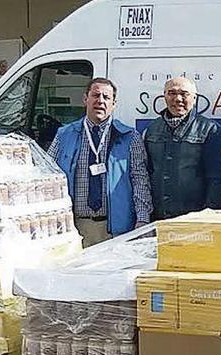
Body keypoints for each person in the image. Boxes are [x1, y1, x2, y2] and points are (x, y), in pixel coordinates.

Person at [48, 77, 152, 247]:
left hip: (116, 229)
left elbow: (140, 180)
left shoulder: (129, 137)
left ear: (114, 103)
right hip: (74, 229)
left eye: (106, 97)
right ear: (85, 99)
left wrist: (142, 219)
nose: (100, 101)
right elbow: (50, 178)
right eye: (95, 95)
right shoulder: (64, 135)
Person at [143, 77, 221, 220]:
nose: (178, 99)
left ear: (194, 98)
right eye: (172, 93)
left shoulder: (210, 130)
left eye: (184, 94)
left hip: (194, 221)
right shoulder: (152, 130)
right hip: (159, 220)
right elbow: (146, 175)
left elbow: (217, 181)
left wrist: (207, 218)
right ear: (164, 96)